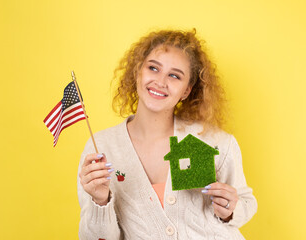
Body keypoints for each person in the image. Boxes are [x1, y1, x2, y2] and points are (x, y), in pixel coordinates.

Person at [77, 29, 257, 240]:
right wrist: (100, 201)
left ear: (186, 91)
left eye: (174, 75)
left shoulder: (212, 141)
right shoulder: (102, 148)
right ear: (138, 72)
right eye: (153, 68)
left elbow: (246, 201)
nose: (160, 82)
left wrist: (230, 210)